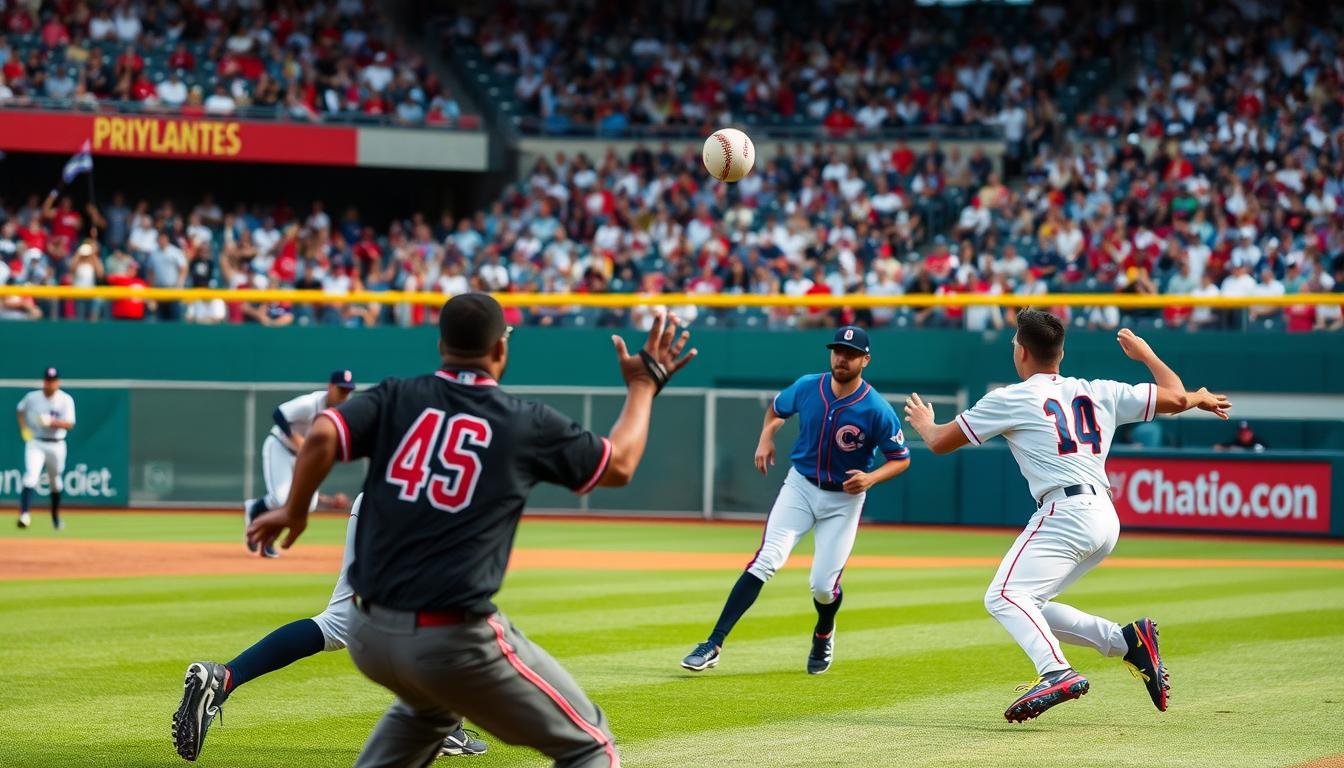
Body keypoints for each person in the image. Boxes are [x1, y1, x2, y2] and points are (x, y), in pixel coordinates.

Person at [246, 294, 694, 767]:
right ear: (501, 350)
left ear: (441, 345)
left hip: (369, 635)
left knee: (429, 714)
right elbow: (619, 464)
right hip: (450, 641)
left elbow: (320, 435)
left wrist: (296, 510)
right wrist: (643, 385)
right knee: (590, 746)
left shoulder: (395, 395)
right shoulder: (524, 420)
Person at [903, 310, 1230, 723]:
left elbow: (938, 443)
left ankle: (1056, 670)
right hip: (1105, 517)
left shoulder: (1012, 398)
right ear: (1060, 353)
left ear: (1021, 351)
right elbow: (1178, 397)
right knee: (1032, 602)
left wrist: (926, 423)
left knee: (1004, 596)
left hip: (1066, 510)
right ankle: (1127, 641)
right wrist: (1147, 354)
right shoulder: (1099, 390)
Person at [172, 493, 488, 762]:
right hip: (431, 505)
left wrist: (297, 507)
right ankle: (443, 728)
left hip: (378, 495)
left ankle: (226, 678)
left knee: (341, 621)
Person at [680, 325, 911, 675]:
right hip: (800, 487)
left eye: (850, 354)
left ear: (865, 360)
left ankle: (823, 631)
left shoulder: (876, 409)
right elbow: (775, 410)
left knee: (822, 586)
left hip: (843, 501)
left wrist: (871, 478)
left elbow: (901, 458)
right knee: (765, 560)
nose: (841, 359)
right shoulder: (808, 386)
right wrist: (765, 437)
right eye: (837, 351)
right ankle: (713, 643)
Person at [242, 371, 359, 557]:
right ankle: (256, 511)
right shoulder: (310, 403)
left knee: (307, 505)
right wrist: (296, 439)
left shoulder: (342, 413)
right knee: (281, 499)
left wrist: (326, 498)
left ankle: (267, 534)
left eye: (348, 391)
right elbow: (279, 414)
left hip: (303, 457)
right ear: (330, 387)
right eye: (341, 389)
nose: (344, 395)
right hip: (279, 447)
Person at [15, 367, 76, 529]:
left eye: (53, 380)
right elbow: (20, 411)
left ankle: (55, 517)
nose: (50, 383)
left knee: (55, 482)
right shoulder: (32, 397)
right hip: (36, 443)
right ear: (44, 381)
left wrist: (51, 422)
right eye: (48, 380)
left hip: (57, 444)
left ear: (58, 382)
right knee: (31, 477)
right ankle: (24, 515)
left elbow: (70, 423)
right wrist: (24, 430)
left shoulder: (65, 399)